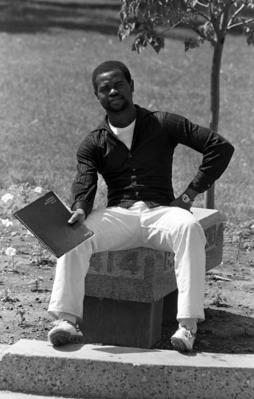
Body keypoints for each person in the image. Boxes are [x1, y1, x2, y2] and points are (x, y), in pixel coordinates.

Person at [47, 60, 234, 352]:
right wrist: (80, 208)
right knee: (73, 237)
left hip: (162, 212)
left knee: (188, 227)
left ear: (131, 86)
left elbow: (220, 147)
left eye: (118, 84)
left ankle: (187, 326)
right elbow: (85, 181)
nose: (112, 90)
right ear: (97, 96)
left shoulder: (163, 123)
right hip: (119, 215)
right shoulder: (93, 142)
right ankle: (66, 321)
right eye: (104, 88)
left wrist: (189, 195)